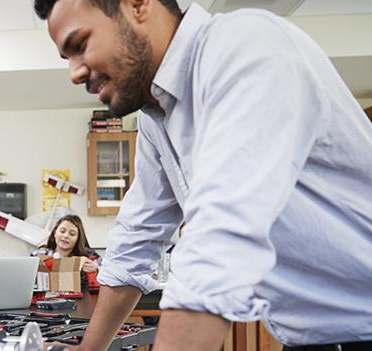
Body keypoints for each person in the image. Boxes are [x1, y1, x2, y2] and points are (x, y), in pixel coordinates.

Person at [33, 0, 372, 350]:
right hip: (313, 339)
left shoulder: (245, 46)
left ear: (137, 5)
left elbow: (220, 238)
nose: (74, 73)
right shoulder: (155, 117)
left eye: (80, 44)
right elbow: (136, 238)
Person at [31, 215, 100, 290]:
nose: (66, 236)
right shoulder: (40, 254)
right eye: (62, 231)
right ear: (55, 232)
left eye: (72, 234)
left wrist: (97, 269)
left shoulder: (90, 257)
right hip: (45, 299)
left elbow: (109, 274)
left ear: (78, 238)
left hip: (79, 299)